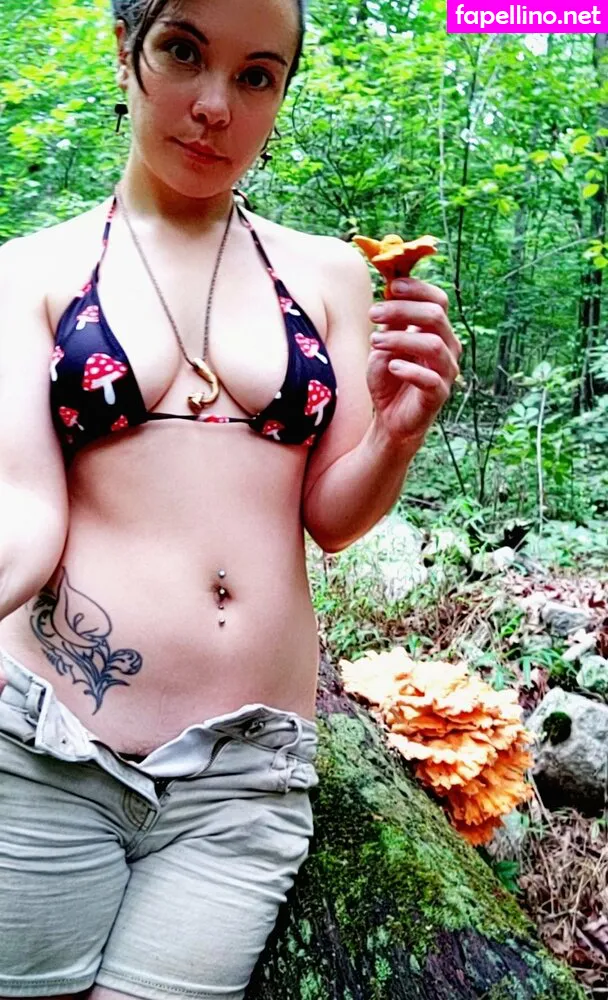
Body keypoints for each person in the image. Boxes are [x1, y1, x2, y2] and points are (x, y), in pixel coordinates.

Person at [0, 0, 461, 998]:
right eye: (182, 52)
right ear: (125, 51)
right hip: (45, 753)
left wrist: (396, 430)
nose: (216, 105)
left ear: (282, 93)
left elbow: (332, 517)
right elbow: (25, 517)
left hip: (244, 778)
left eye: (256, 75)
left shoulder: (330, 276)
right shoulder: (28, 274)